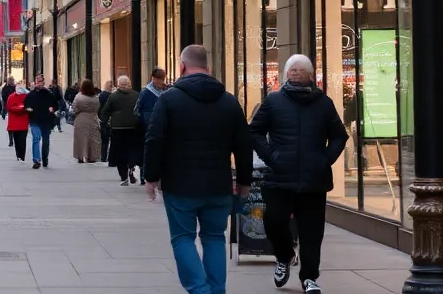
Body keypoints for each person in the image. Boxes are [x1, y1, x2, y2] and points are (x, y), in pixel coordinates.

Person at [144, 46, 252, 294]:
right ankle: (216, 290)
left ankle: (200, 290)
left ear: (182, 66)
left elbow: (154, 140)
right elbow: (244, 145)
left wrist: (151, 177)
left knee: (183, 238)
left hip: (180, 185)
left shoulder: (169, 100)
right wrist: (244, 182)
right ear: (208, 68)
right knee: (214, 238)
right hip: (218, 185)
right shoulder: (229, 102)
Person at [249, 54, 348, 293]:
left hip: (314, 180)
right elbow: (254, 132)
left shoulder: (324, 103)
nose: (295, 73)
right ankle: (284, 256)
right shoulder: (273, 101)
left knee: (312, 232)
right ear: (285, 75)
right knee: (273, 222)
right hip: (279, 178)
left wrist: (325, 160)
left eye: (301, 70)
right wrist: (272, 157)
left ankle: (309, 277)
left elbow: (339, 135)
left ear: (310, 75)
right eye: (292, 69)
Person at [103, 75, 142, 185]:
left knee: (120, 152)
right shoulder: (136, 95)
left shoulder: (113, 96)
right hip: (133, 128)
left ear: (119, 84)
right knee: (132, 150)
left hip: (118, 128)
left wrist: (106, 123)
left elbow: (105, 111)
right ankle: (131, 167)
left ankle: (123, 176)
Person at [135, 67, 169, 184]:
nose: (161, 82)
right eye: (159, 79)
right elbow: (137, 109)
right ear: (153, 78)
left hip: (163, 126)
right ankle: (144, 175)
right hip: (147, 126)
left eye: (162, 79)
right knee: (147, 150)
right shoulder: (145, 92)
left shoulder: (168, 90)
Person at [23, 73, 59, 168]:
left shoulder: (48, 94)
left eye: (41, 81)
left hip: (46, 120)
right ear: (35, 83)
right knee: (36, 138)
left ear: (44, 82)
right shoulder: (31, 95)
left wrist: (52, 108)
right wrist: (28, 109)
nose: (39, 83)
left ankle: (45, 158)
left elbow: (55, 104)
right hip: (35, 120)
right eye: (38, 81)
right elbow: (26, 105)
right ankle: (36, 160)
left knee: (46, 141)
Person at [72, 79, 102, 163]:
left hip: (80, 119)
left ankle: (80, 156)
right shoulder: (95, 98)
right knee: (92, 139)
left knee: (80, 139)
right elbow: (97, 108)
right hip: (92, 118)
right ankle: (91, 157)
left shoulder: (78, 97)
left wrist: (77, 112)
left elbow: (74, 108)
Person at [5, 83, 30, 161]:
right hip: (20, 122)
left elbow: (9, 107)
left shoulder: (25, 96)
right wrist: (23, 109)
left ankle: (20, 155)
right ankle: (20, 155)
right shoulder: (25, 96)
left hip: (18, 122)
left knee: (19, 140)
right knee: (20, 139)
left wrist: (18, 108)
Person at [97, 80, 113, 163]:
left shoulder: (101, 95)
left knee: (104, 140)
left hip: (102, 119)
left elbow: (98, 108)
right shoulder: (111, 96)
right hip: (110, 119)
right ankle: (109, 157)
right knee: (111, 139)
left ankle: (103, 157)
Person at [0, 76, 16, 145]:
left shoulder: (15, 88)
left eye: (11, 80)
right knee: (10, 125)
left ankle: (12, 139)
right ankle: (11, 140)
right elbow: (3, 97)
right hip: (9, 108)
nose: (11, 82)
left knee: (13, 125)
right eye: (10, 80)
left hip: (14, 108)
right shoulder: (6, 88)